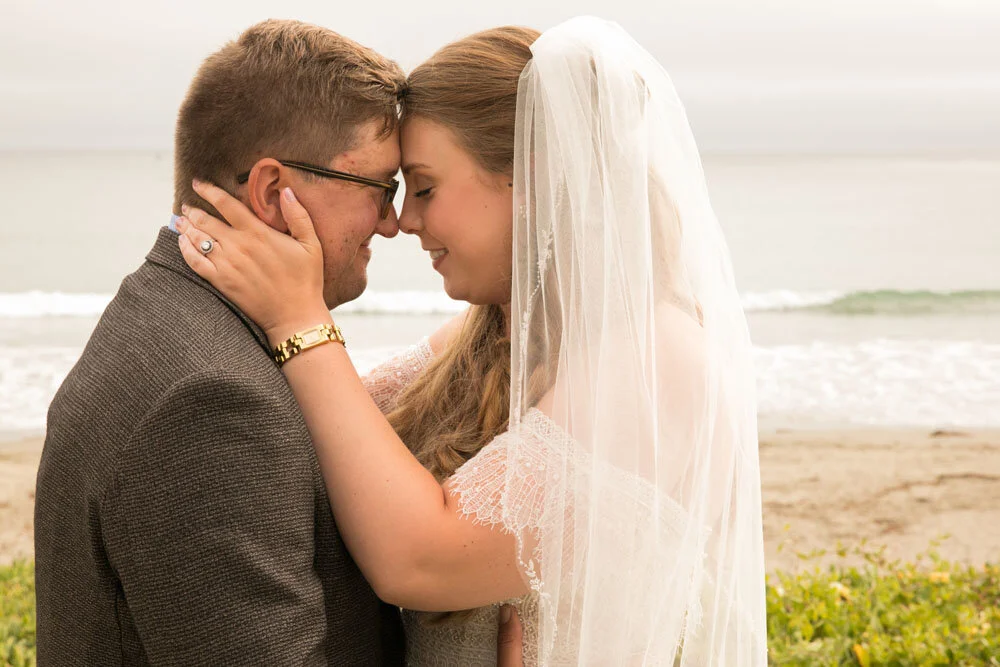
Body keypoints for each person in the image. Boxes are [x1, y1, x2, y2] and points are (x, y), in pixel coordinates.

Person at [176, 16, 767, 665]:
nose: (404, 220)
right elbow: (321, 431)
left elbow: (421, 560)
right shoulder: (488, 333)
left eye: (425, 187)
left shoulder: (661, 360)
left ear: (532, 180)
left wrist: (299, 319)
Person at [35, 18, 525, 665]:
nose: (392, 222)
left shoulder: (169, 316)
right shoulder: (211, 400)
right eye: (381, 189)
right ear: (273, 192)